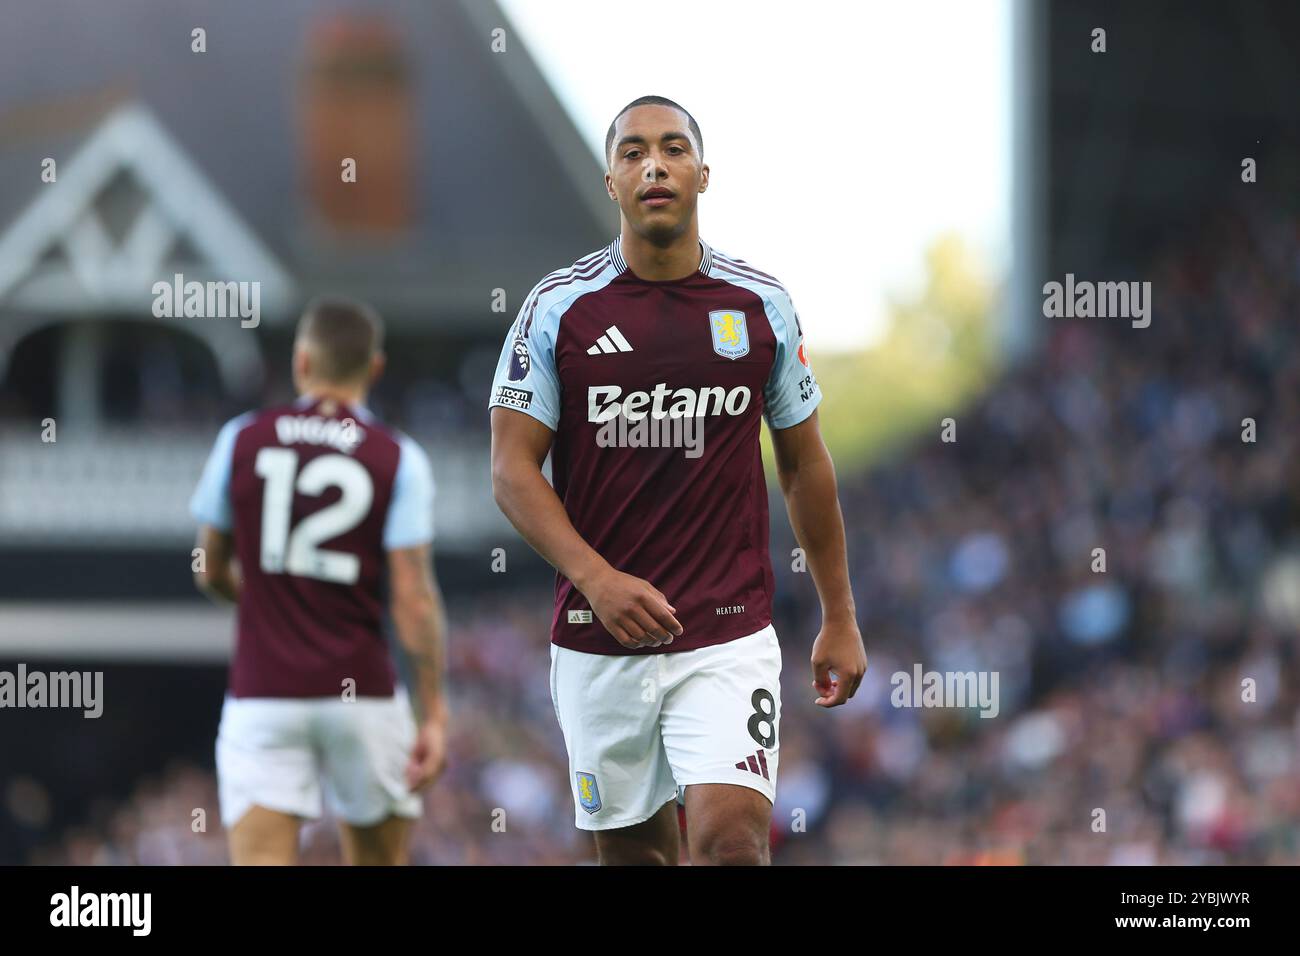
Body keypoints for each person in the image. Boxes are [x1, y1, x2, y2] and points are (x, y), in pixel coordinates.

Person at [489, 96, 867, 865]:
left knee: (731, 844)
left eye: (671, 148)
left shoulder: (759, 305)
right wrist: (596, 579)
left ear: (702, 174)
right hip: (600, 641)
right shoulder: (556, 308)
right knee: (639, 859)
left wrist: (840, 613)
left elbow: (804, 462)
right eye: (632, 152)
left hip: (727, 632)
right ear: (611, 181)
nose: (653, 164)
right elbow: (510, 468)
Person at [190, 298, 447, 865]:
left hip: (264, 690)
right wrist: (433, 711)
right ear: (373, 369)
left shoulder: (241, 438)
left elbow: (208, 567)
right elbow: (412, 598)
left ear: (301, 362)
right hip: (364, 692)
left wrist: (258, 601)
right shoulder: (398, 457)